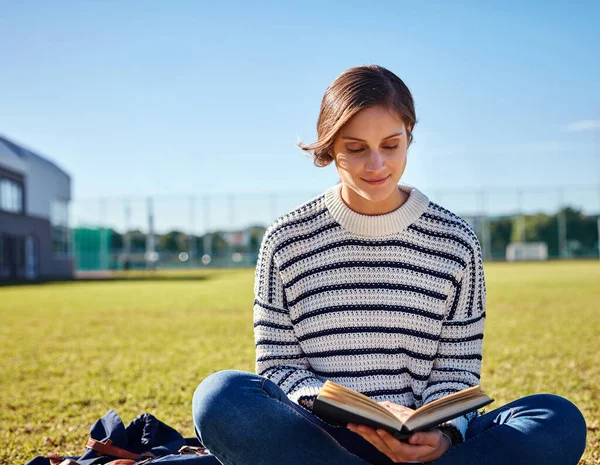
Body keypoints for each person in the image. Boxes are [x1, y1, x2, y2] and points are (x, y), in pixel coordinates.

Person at [192, 65, 587, 465]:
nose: (377, 164)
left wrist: (443, 435)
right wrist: (346, 410)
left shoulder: (456, 240)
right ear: (330, 149)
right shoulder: (285, 239)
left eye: (391, 145)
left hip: (426, 447)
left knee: (556, 418)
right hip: (322, 442)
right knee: (220, 396)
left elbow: (457, 373)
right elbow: (278, 369)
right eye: (356, 148)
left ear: (409, 137)